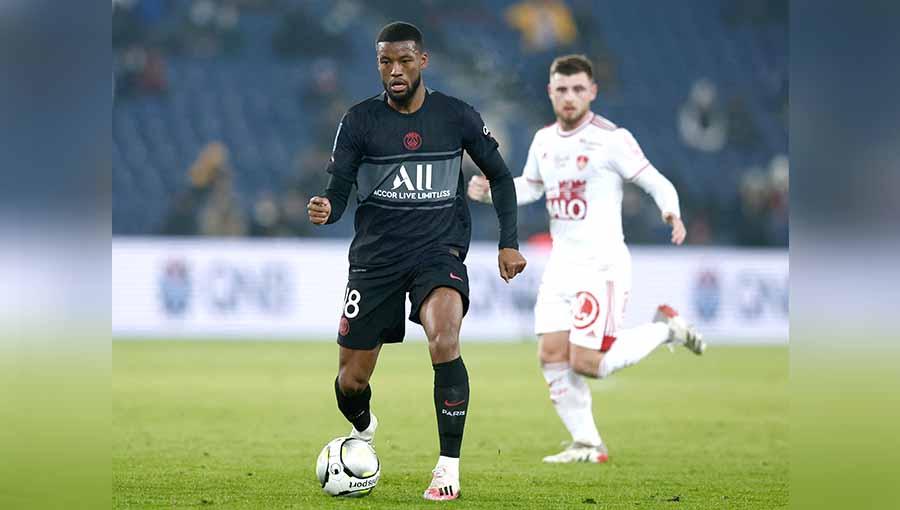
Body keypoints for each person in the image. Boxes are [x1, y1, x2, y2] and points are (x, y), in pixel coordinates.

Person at [306, 22, 527, 501]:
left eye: (404, 60)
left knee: (444, 338)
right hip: (376, 260)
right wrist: (327, 208)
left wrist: (508, 241)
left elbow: (501, 176)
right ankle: (363, 427)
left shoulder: (456, 116)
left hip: (437, 251)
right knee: (351, 380)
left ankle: (448, 468)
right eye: (386, 61)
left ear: (422, 61)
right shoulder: (360, 121)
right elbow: (338, 190)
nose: (395, 70)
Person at [468, 54, 705, 465]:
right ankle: (589, 444)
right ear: (550, 92)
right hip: (562, 266)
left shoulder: (612, 139)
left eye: (579, 89)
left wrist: (671, 210)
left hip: (603, 266)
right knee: (551, 355)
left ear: (592, 91)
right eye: (562, 89)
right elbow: (532, 187)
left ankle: (666, 330)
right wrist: (495, 190)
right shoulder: (543, 141)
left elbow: (655, 180)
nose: (570, 97)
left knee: (588, 363)